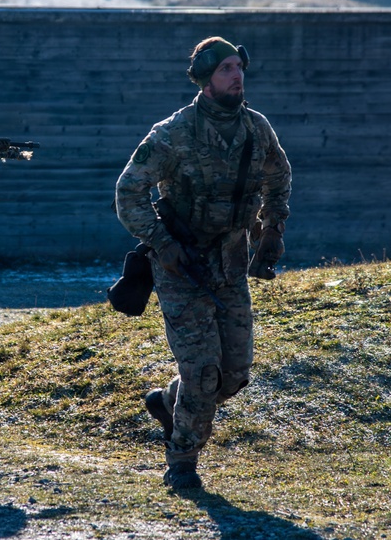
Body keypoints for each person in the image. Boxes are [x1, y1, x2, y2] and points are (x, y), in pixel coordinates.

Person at [115, 36, 292, 490]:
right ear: (205, 80)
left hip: (230, 264)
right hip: (181, 267)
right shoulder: (173, 133)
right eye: (225, 69)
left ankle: (167, 402)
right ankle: (182, 462)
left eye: (239, 67)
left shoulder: (256, 129)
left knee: (233, 375)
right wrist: (161, 242)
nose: (236, 76)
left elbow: (279, 177)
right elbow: (128, 193)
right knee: (202, 371)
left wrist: (272, 230)